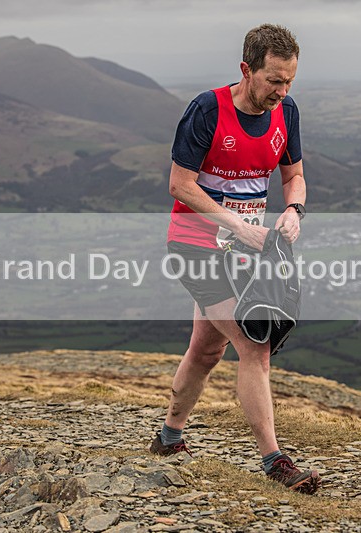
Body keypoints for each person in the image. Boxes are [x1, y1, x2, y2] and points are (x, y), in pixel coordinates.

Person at [151, 24, 319, 494]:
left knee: (207, 349)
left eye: (289, 81)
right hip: (194, 244)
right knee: (253, 344)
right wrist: (235, 223)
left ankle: (168, 438)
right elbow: (180, 185)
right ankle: (274, 462)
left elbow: (295, 176)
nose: (281, 91)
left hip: (249, 249)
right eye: (273, 80)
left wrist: (293, 210)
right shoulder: (207, 110)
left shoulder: (286, 112)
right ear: (246, 70)